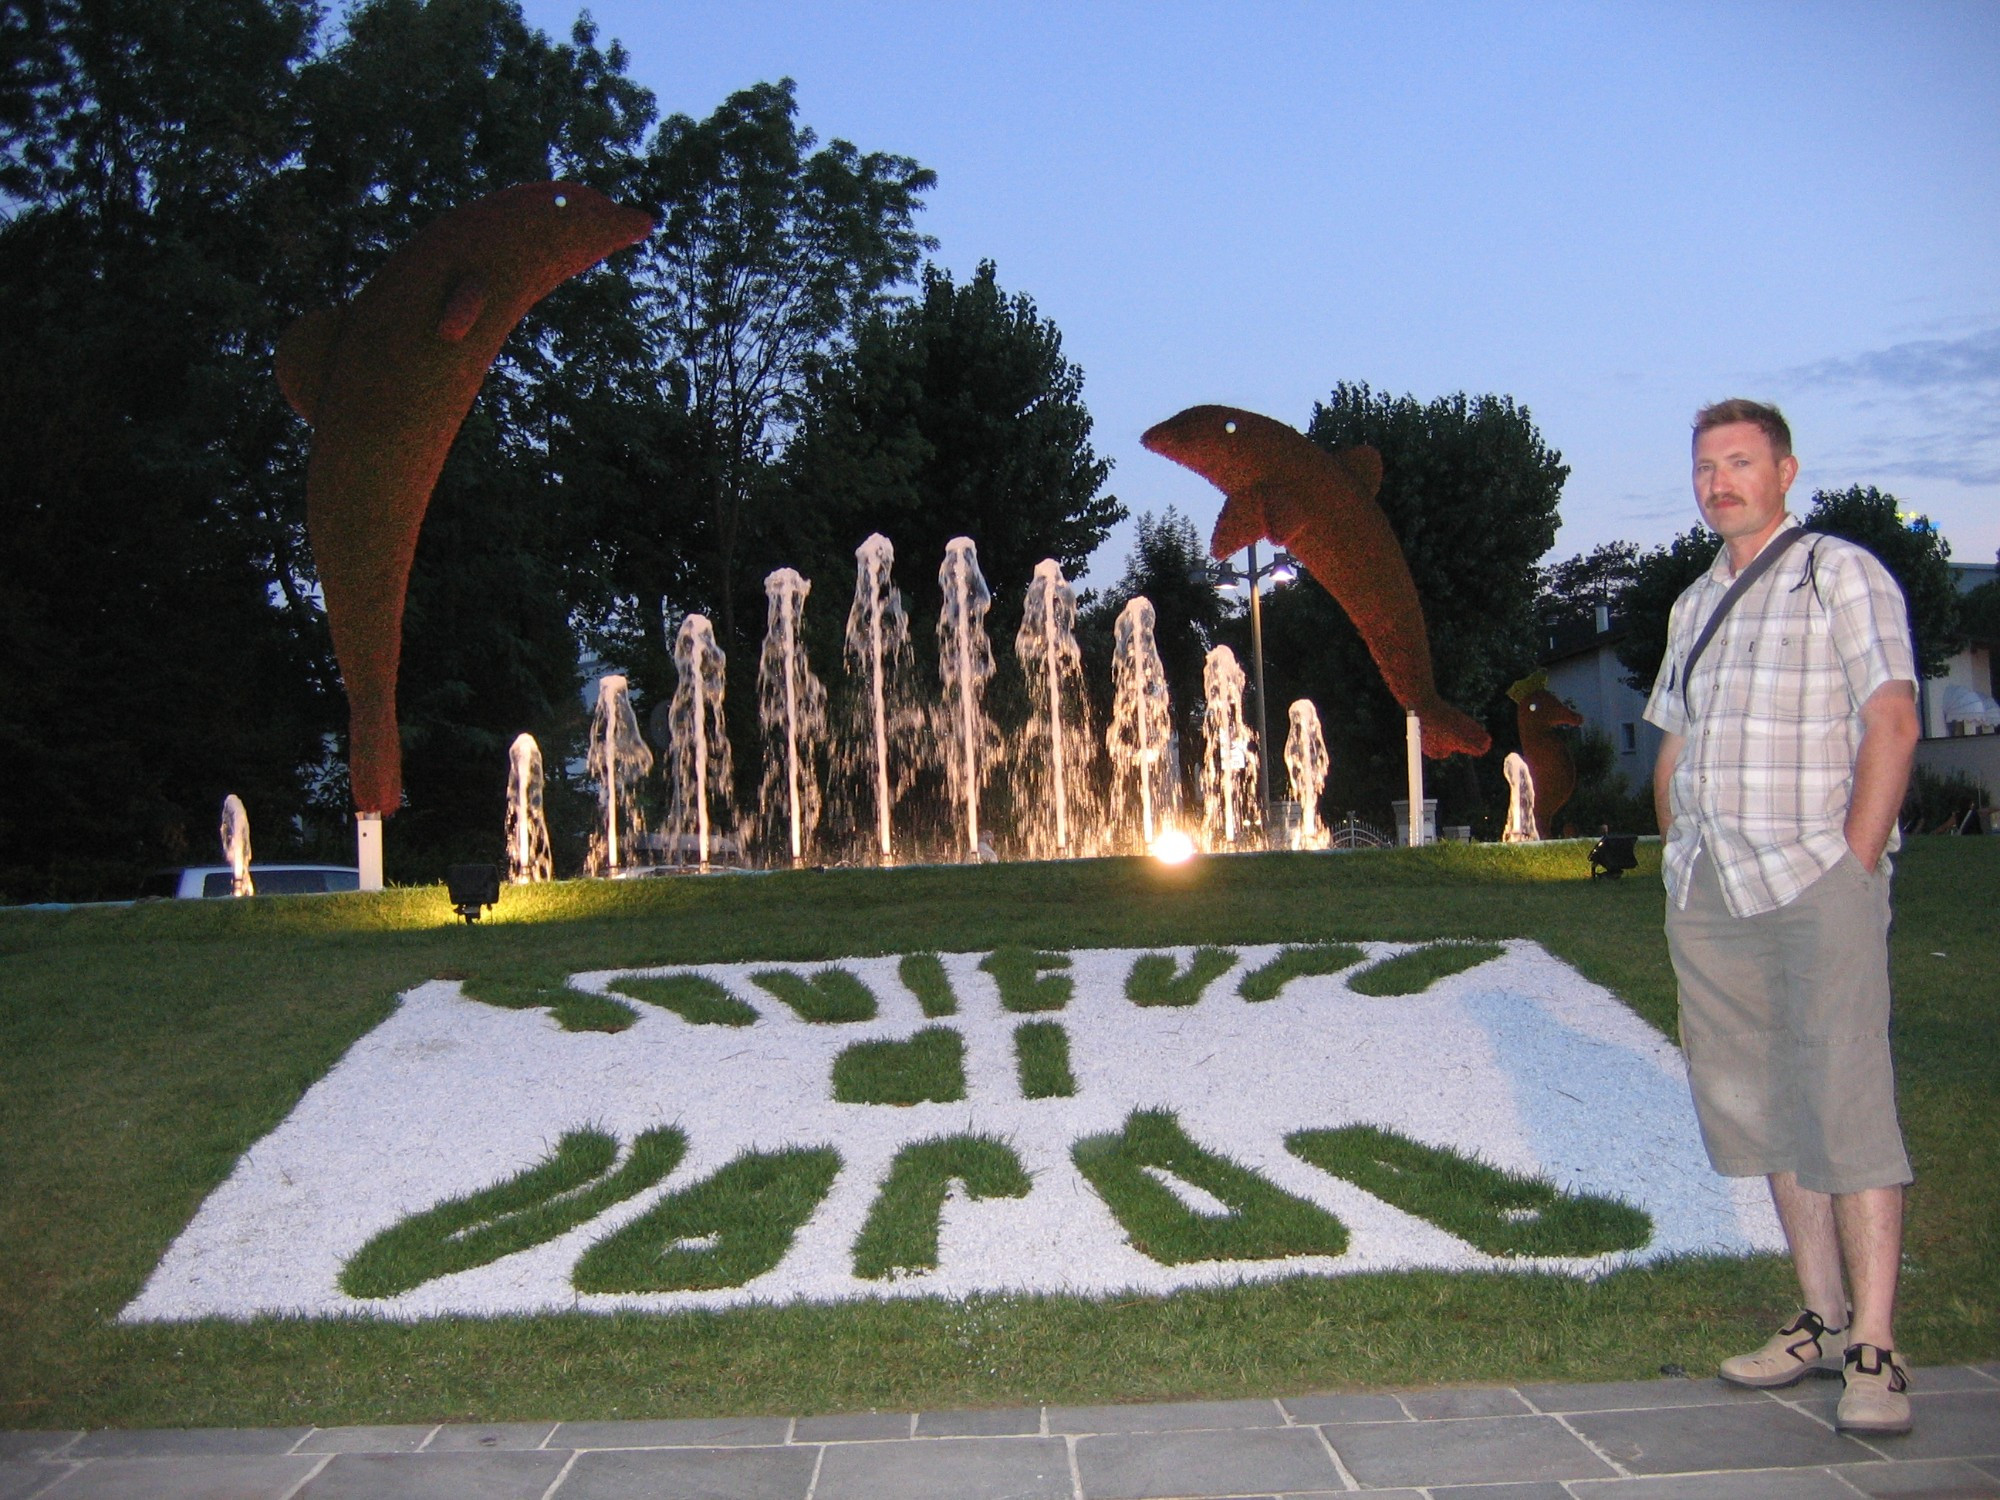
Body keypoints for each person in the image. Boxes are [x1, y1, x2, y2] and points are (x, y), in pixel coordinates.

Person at [1643, 399, 1921, 1436]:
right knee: (1756, 1101)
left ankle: (1876, 1347)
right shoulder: (1690, 602)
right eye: (1704, 466)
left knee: (1843, 1095)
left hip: (1813, 879)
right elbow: (1672, 739)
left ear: (1784, 469)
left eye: (1739, 463)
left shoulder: (1836, 573)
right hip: (1712, 889)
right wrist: (1677, 849)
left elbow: (1890, 717)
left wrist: (1854, 863)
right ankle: (1815, 1315)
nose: (1719, 481)